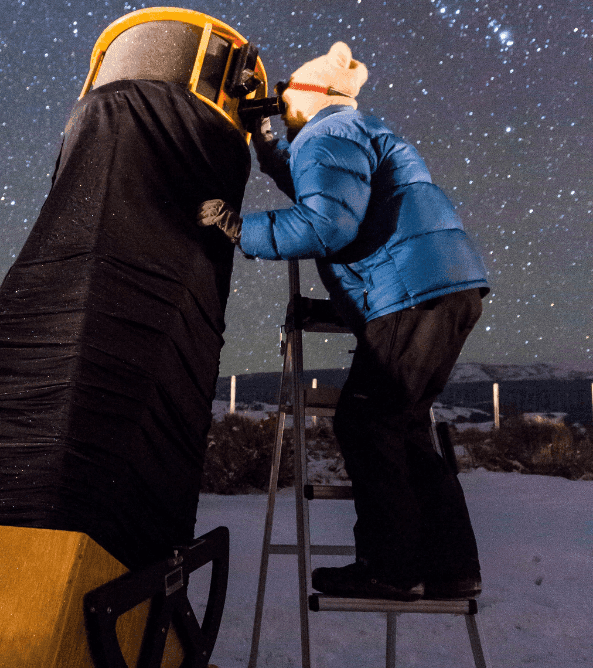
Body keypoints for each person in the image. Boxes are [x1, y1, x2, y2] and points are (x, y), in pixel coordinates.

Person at [198, 42, 489, 601]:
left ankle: (390, 568)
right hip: (442, 286)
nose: (281, 103)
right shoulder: (356, 132)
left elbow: (327, 224)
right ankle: (452, 568)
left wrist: (242, 230)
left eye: (285, 97)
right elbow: (327, 188)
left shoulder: (328, 136)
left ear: (310, 95)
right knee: (404, 429)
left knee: (367, 424)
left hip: (411, 294)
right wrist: (267, 144)